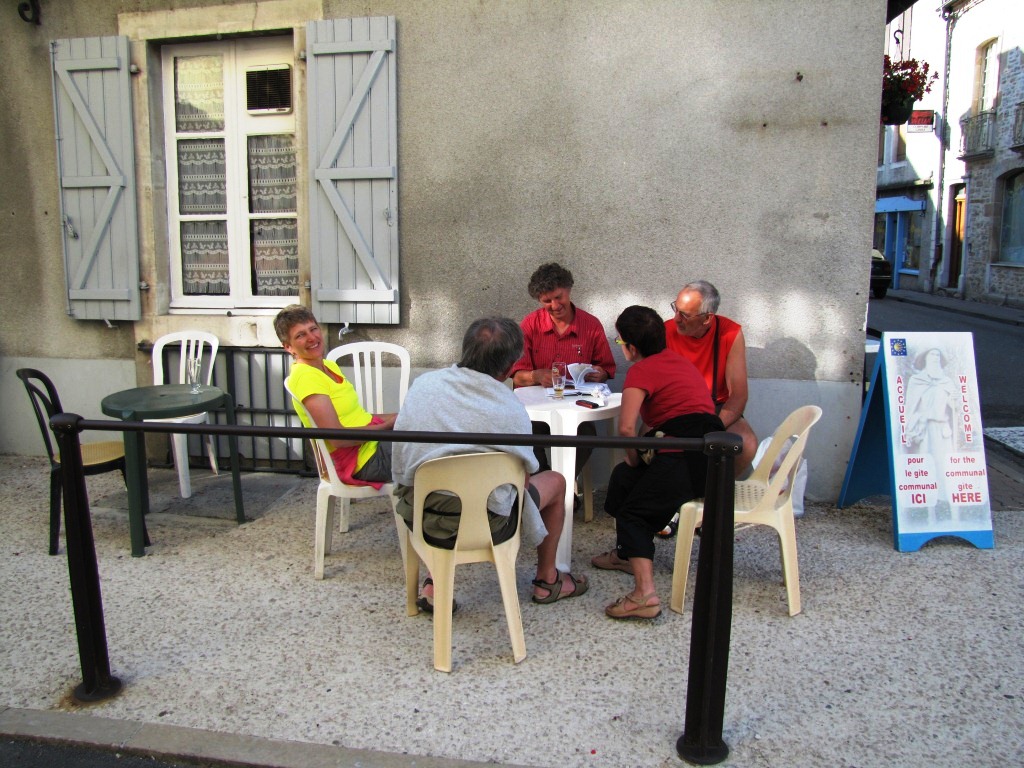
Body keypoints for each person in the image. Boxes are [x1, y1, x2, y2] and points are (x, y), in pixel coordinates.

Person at [393, 316, 588, 606]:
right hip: (488, 525)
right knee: (557, 481)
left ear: (465, 350)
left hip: (421, 515)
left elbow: (402, 456)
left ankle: (435, 582)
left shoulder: (423, 385)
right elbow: (521, 485)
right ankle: (547, 580)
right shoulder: (512, 410)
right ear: (509, 368)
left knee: (440, 473)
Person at [592, 305, 723, 620]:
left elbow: (626, 429)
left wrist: (635, 458)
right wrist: (635, 464)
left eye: (620, 342)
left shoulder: (640, 370)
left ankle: (645, 596)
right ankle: (626, 554)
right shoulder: (680, 362)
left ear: (631, 347)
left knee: (633, 514)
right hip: (712, 457)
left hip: (684, 456)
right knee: (623, 477)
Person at [509, 262, 617, 475]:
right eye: (547, 301)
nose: (555, 305)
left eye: (559, 297)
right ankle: (544, 482)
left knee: (587, 438)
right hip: (537, 410)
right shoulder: (530, 325)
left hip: (577, 408)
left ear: (568, 290)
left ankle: (562, 484)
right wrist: (536, 376)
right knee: (523, 435)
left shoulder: (591, 325)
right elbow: (516, 376)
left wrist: (600, 374)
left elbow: (606, 368)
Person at [275, 305, 396, 487]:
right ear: (288, 347)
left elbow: (358, 417)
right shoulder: (306, 378)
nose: (311, 338)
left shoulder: (328, 366)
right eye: (300, 335)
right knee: (433, 448)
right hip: (362, 462)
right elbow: (338, 438)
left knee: (428, 426)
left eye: (313, 329)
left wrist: (401, 416)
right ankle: (420, 503)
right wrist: (388, 427)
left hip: (373, 445)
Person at [665, 280, 757, 475]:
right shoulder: (664, 331)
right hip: (674, 408)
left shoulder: (729, 332)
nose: (676, 319)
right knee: (648, 443)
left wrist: (711, 427)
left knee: (746, 444)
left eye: (684, 315)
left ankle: (714, 489)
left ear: (707, 318)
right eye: (675, 309)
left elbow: (738, 395)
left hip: (716, 407)